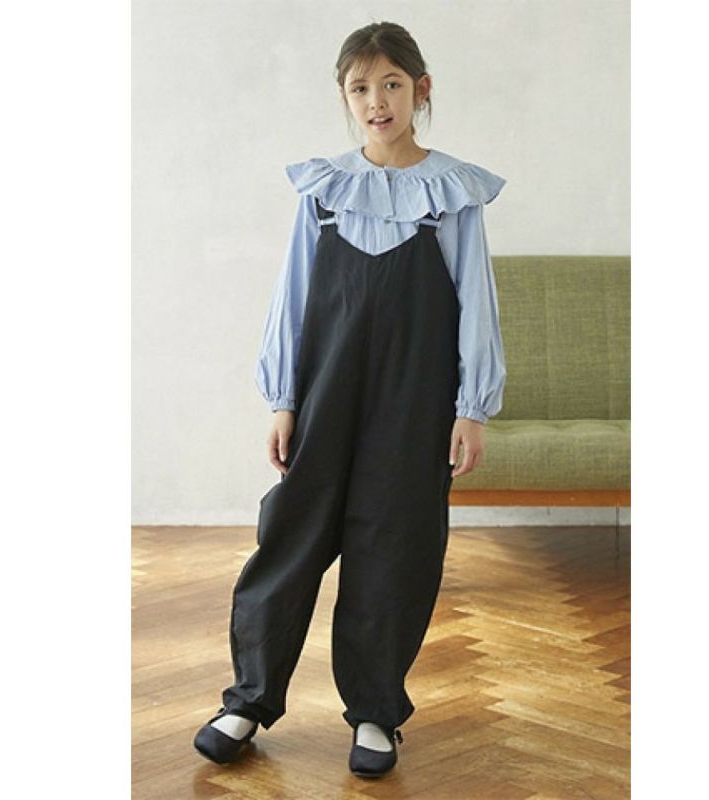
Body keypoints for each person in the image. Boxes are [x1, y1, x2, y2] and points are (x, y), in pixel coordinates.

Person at [193, 21, 507, 778]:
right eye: (360, 88)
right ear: (344, 96)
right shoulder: (323, 191)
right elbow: (293, 298)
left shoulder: (451, 194)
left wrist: (471, 408)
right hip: (325, 391)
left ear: (420, 90)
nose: (376, 101)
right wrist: (283, 400)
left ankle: (374, 710)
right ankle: (249, 698)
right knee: (290, 537)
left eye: (391, 84)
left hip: (415, 397)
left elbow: (476, 302)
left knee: (393, 544)